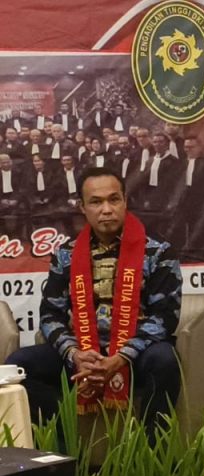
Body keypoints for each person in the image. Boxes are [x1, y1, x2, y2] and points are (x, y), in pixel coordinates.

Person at [5, 165, 183, 437]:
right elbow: (50, 315)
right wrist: (74, 354)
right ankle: (65, 446)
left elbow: (165, 317)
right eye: (96, 202)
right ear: (82, 207)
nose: (107, 210)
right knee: (20, 365)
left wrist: (120, 357)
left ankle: (154, 453)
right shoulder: (66, 254)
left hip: (135, 355)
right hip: (83, 355)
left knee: (166, 360)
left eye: (114, 199)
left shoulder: (158, 251)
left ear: (125, 201)